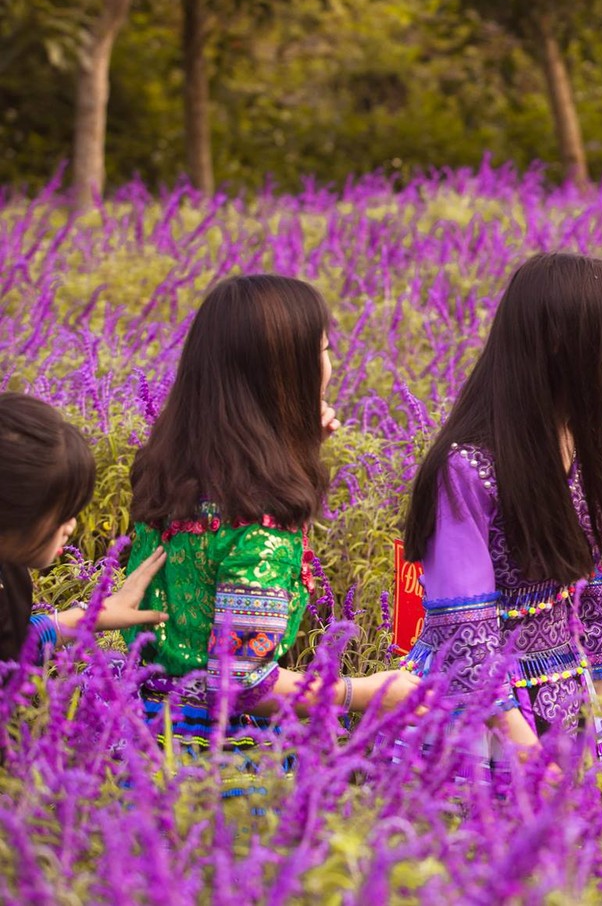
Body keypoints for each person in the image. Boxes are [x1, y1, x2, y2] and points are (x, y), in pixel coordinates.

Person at [123, 275, 417, 745]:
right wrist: (368, 692)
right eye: (324, 350)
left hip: (138, 731)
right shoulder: (261, 526)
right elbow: (243, 686)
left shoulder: (170, 476)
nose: (331, 365)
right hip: (218, 762)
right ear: (286, 373)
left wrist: (294, 449)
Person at [401, 253, 602, 761]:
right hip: (482, 721)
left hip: (567, 707)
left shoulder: (594, 443)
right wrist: (531, 757)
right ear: (562, 345)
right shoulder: (467, 468)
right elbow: (467, 629)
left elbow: (588, 603)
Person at [0, 392, 166, 664]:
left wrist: (92, 616)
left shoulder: (10, 569)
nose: (71, 526)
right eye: (62, 514)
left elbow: (14, 643)